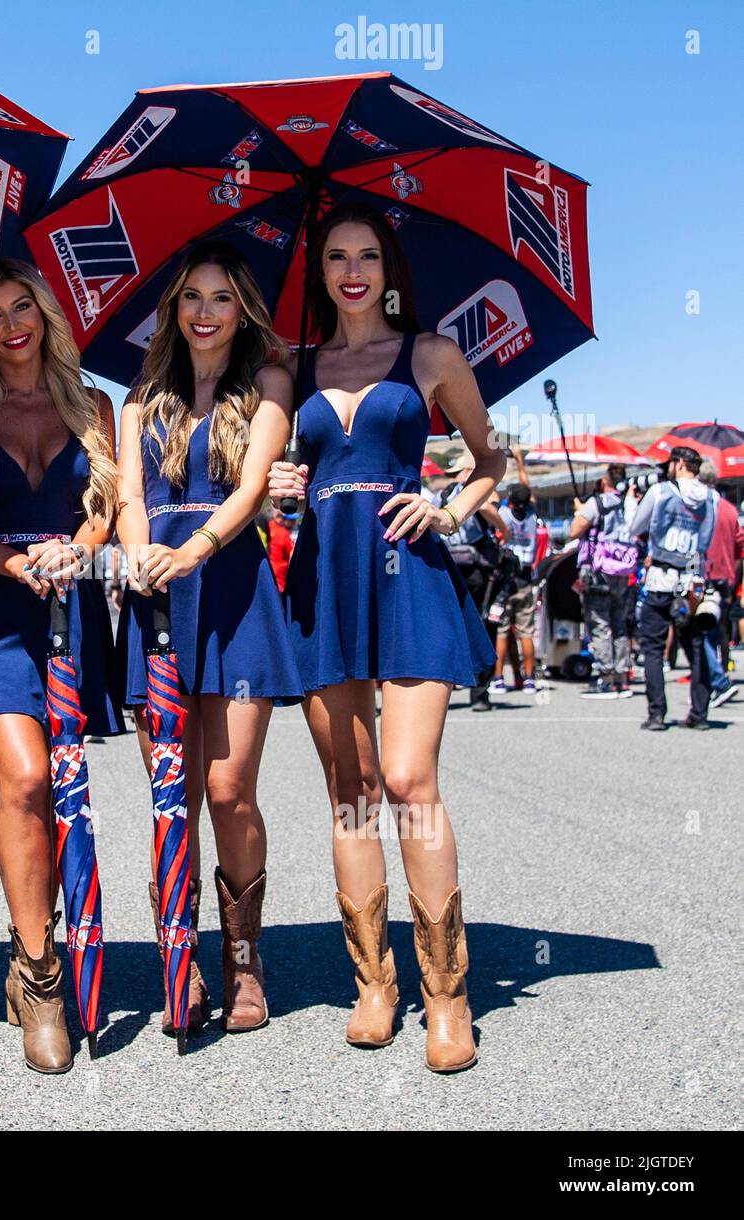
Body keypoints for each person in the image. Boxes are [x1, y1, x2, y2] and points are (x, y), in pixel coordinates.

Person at [269, 202, 503, 1072]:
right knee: (350, 784)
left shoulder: (432, 354)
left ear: (388, 267)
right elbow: (262, 475)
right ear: (319, 272)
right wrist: (283, 484)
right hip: (324, 578)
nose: (353, 270)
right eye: (336, 257)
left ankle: (448, 993)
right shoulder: (290, 368)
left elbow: (490, 459)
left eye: (368, 255)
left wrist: (447, 506)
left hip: (411, 575)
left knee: (408, 778)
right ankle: (374, 983)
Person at [0, 258, 121, 1073]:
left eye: (23, 308)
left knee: (69, 791)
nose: (11, 325)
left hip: (72, 611)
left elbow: (107, 506)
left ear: (45, 313)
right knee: (28, 780)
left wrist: (80, 548)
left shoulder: (94, 404)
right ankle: (39, 975)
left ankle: (64, 946)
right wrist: (11, 564)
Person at [118, 240, 301, 1038]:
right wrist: (134, 551)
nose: (204, 312)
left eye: (221, 298)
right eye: (191, 296)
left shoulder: (268, 384)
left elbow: (257, 483)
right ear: (172, 309)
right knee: (173, 799)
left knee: (229, 792)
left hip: (233, 593)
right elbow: (128, 496)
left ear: (243, 309)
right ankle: (178, 958)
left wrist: (195, 547)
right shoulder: (138, 399)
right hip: (157, 602)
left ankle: (243, 957)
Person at [628, 448, 717, 730]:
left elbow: (635, 527)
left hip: (661, 577)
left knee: (653, 648)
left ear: (679, 464)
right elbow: (708, 538)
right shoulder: (712, 496)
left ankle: (657, 715)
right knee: (696, 645)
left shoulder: (661, 491)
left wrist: (631, 503)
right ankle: (699, 715)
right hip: (692, 578)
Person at [437, 454, 507, 711]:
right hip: (478, 567)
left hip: (449, 563)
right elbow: (488, 508)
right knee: (484, 624)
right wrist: (505, 531)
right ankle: (480, 693)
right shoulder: (477, 490)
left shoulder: (442, 494)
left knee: (451, 626)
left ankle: (448, 683)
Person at [569, 464, 639, 699]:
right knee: (619, 623)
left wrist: (580, 511)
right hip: (622, 571)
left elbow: (574, 531)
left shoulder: (597, 503)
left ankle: (605, 677)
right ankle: (621, 676)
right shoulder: (629, 503)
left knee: (599, 624)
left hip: (598, 571)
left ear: (606, 481)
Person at [489, 448, 546, 693]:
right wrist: (521, 461)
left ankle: (499, 678)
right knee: (526, 631)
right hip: (526, 578)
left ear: (510, 501)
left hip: (506, 578)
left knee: (501, 630)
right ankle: (530, 678)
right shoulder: (532, 515)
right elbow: (527, 488)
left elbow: (490, 493)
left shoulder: (503, 514)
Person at [698, 462, 741, 707]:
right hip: (725, 578)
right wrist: (733, 578)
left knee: (701, 632)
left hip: (705, 578)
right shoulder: (729, 509)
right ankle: (716, 677)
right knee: (716, 632)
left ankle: (719, 681)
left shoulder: (700, 508)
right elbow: (740, 547)